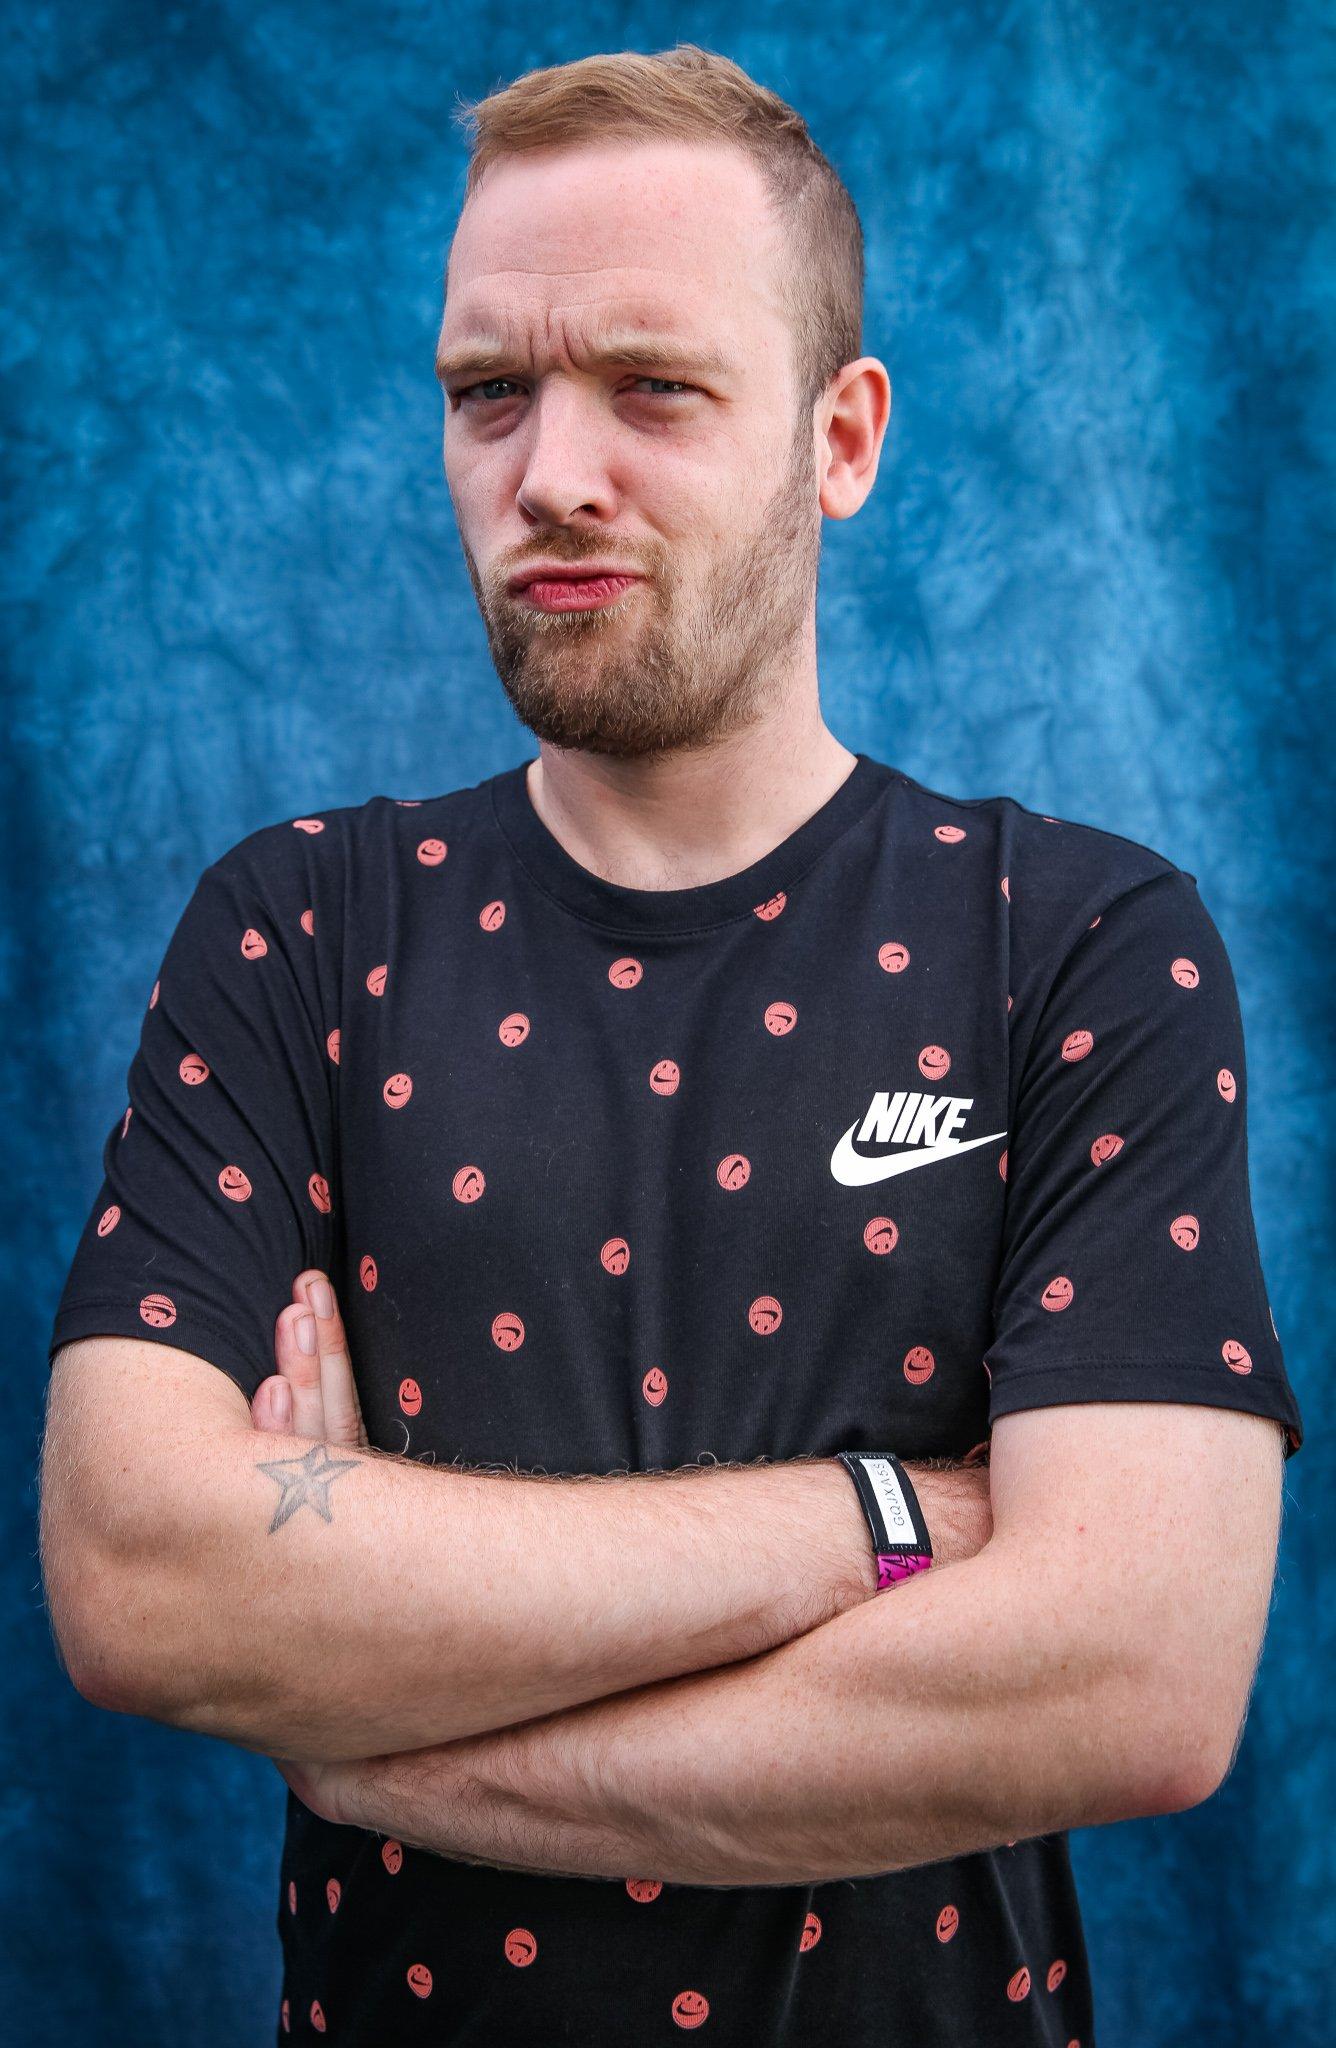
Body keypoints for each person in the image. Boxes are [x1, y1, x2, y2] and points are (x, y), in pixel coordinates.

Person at [43, 43, 1303, 2048]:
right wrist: (885, 1520)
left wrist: (386, 1743)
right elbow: (142, 1579)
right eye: (488, 391)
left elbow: (1131, 1678)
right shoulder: (298, 930)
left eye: (651, 387)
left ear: (840, 437)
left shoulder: (1073, 943)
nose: (550, 472)